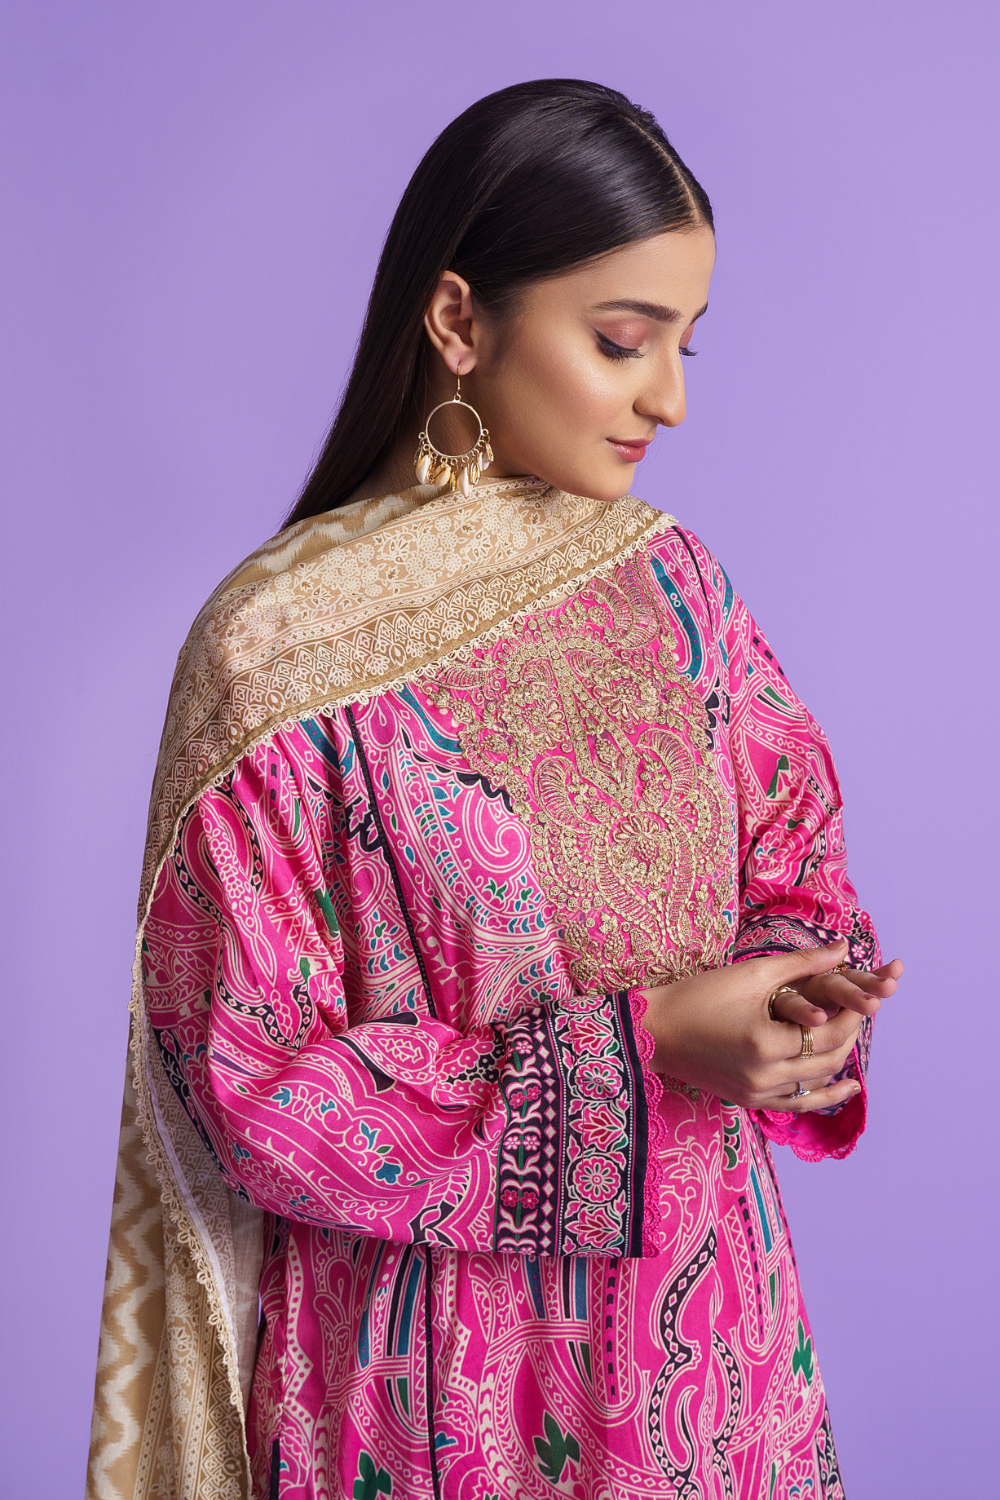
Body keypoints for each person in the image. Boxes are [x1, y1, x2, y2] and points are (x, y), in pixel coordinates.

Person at [88, 79, 903, 1500]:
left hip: (714, 1355)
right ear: (459, 321)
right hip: (430, 1391)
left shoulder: (676, 586)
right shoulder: (273, 654)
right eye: (623, 341)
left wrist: (795, 1000)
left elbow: (796, 862)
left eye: (687, 343)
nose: (671, 399)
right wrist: (648, 1045)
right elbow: (254, 1084)